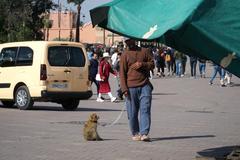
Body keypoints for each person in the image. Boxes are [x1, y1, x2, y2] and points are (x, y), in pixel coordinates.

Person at [120, 39, 155, 141]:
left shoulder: (145, 51)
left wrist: (142, 64)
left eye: (130, 40)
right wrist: (124, 89)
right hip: (130, 88)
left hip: (145, 86)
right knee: (132, 113)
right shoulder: (124, 54)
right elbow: (122, 74)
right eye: (126, 41)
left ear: (134, 40)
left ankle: (144, 133)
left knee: (145, 110)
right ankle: (135, 133)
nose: (128, 43)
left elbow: (152, 64)